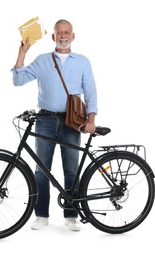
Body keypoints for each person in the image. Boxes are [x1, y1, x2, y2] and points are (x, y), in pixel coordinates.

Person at [12, 19, 97, 231]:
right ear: (53, 37)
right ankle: (41, 215)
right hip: (45, 121)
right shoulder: (42, 60)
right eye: (59, 32)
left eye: (67, 32)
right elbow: (18, 80)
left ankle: (71, 215)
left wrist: (91, 119)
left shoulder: (83, 62)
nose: (63, 36)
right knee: (41, 170)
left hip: (72, 122)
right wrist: (23, 52)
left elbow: (91, 91)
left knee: (71, 171)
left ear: (73, 36)